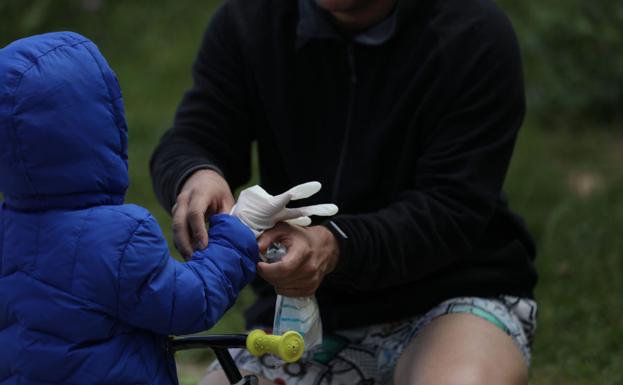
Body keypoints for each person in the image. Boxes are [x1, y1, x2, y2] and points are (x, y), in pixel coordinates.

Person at [150, 0, 539, 384]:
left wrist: (334, 246)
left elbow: (450, 210)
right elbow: (195, 135)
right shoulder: (248, 21)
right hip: (303, 315)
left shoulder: (474, 33)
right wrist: (195, 175)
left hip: (452, 297)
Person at [0, 31, 262, 385]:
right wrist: (235, 237)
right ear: (103, 125)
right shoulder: (119, 237)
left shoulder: (8, 230)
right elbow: (190, 302)